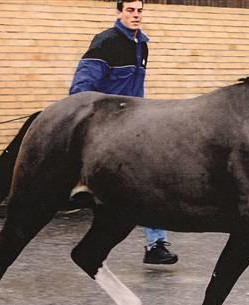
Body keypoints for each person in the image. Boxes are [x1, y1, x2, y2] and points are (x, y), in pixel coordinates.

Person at [68, 0, 178, 265]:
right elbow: (81, 88)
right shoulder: (105, 42)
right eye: (130, 10)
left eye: (140, 10)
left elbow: (135, 89)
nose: (136, 15)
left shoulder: (142, 44)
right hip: (107, 125)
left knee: (151, 178)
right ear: (118, 13)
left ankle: (155, 245)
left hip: (134, 123)